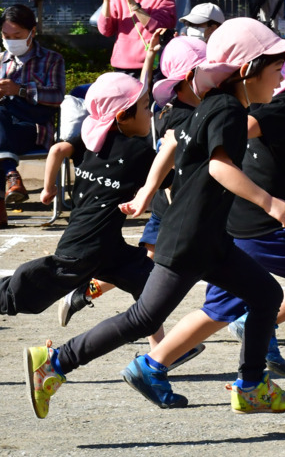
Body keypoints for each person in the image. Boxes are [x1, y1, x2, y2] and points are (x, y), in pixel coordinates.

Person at [21, 17, 285, 419]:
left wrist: (146, 193)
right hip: (191, 238)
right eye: (276, 68)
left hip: (205, 237)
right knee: (143, 318)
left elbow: (174, 144)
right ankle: (55, 363)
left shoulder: (211, 105)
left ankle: (252, 386)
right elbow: (220, 168)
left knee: (265, 295)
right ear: (246, 70)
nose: (281, 77)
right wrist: (269, 202)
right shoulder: (228, 112)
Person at [119, 27, 285, 410]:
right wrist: (255, 191)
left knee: (218, 308)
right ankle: (261, 322)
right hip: (261, 224)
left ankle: (151, 364)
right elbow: (230, 131)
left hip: (239, 224)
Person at [0, 73, 170, 349]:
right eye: (146, 106)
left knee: (149, 285)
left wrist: (49, 189)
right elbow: (170, 179)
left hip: (106, 245)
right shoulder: (139, 152)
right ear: (123, 116)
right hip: (82, 250)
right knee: (25, 294)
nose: (151, 112)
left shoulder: (90, 135)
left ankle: (160, 352)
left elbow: (57, 150)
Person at [73, 36, 206, 309]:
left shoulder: (179, 109)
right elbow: (171, 164)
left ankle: (88, 292)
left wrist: (148, 56)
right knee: (169, 265)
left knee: (149, 261)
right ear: (190, 76)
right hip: (172, 201)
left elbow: (139, 87)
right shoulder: (182, 115)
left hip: (170, 199)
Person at [0, 4, 65, 229]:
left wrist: (19, 90)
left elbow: (58, 96)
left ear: (33, 31)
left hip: (33, 128)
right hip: (0, 128)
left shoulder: (52, 59)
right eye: (6, 35)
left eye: (17, 35)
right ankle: (11, 173)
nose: (11, 40)